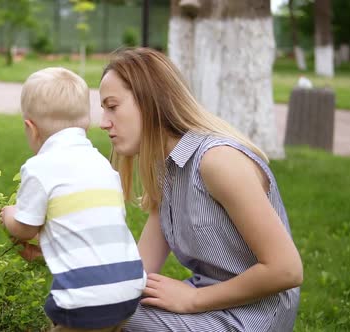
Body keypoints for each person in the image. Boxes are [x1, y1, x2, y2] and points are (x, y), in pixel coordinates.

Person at [98, 48, 303, 332]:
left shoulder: (217, 161)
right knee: (98, 304)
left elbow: (287, 270)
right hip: (210, 305)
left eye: (112, 106)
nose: (103, 122)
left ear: (149, 100)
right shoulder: (165, 168)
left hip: (253, 316)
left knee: (109, 316)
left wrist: (193, 299)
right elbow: (136, 274)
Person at [0, 67, 146, 332]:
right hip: (130, 290)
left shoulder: (39, 168)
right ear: (85, 124)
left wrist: (9, 214)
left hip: (84, 300)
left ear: (30, 128)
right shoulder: (102, 166)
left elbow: (25, 228)